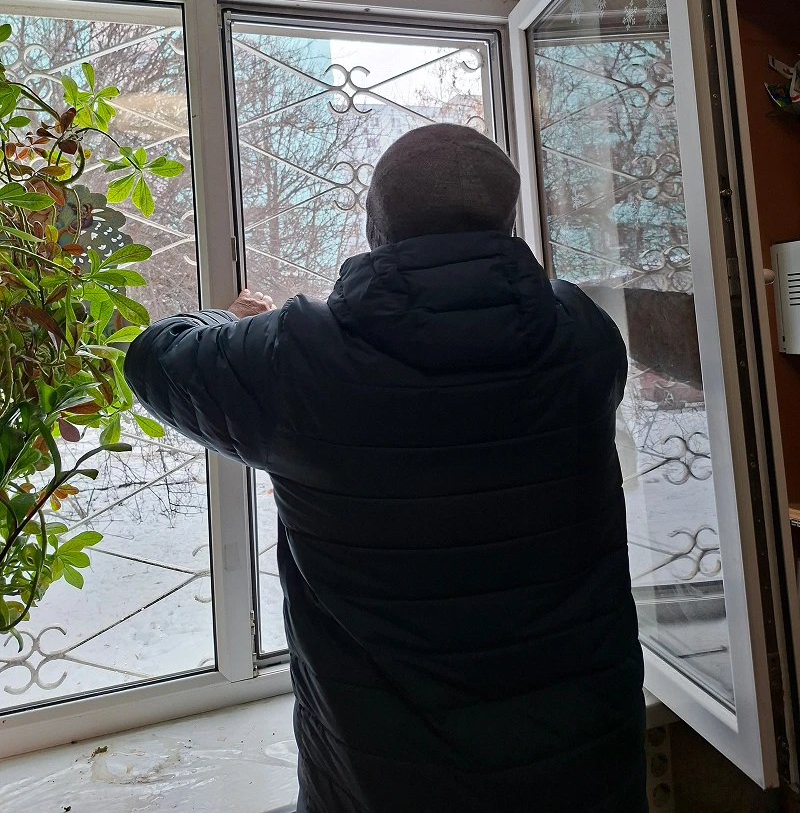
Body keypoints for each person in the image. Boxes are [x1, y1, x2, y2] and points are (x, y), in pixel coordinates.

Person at [124, 123, 649, 813]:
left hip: (388, 781)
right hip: (586, 765)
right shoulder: (583, 336)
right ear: (507, 222)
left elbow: (153, 357)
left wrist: (228, 321)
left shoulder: (300, 360)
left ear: (374, 226)